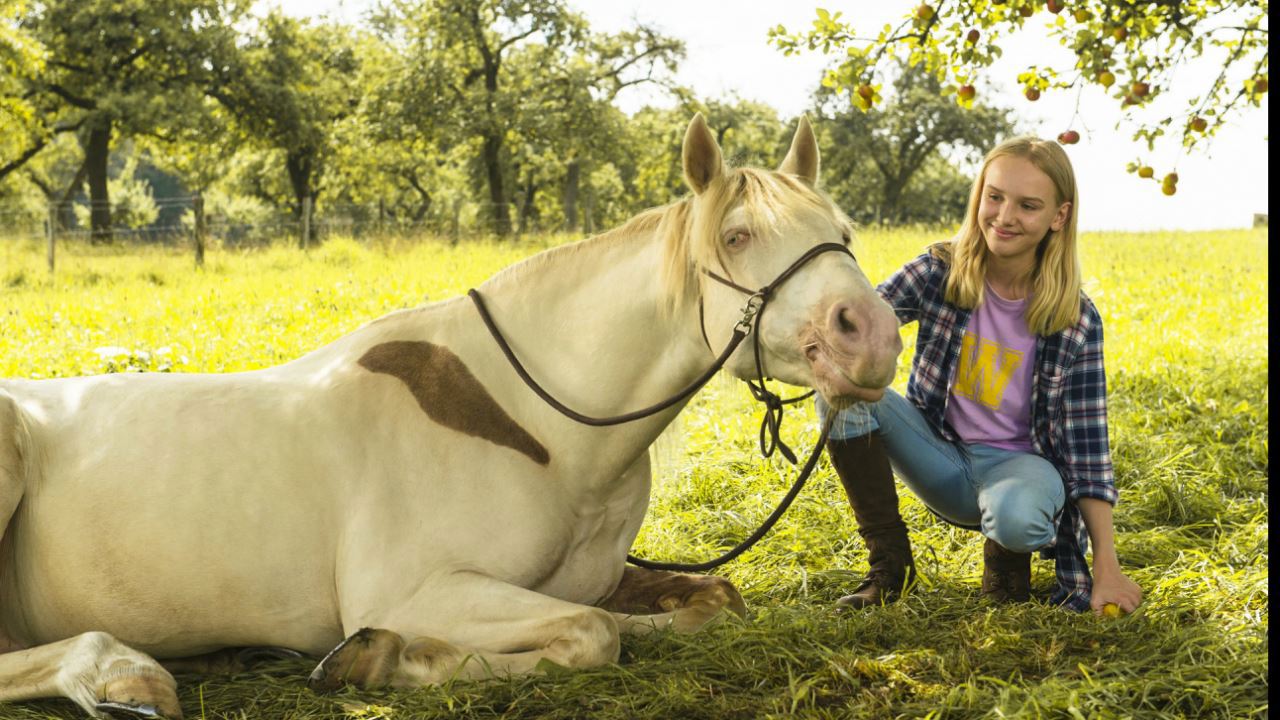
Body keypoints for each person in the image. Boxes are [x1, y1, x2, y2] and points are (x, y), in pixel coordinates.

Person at [820, 136, 1143, 615]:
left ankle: (1006, 575)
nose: (1005, 216)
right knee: (838, 393)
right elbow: (860, 325)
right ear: (979, 196)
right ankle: (891, 569)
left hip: (1020, 472)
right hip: (938, 454)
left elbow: (1089, 451)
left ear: (1059, 216)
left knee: (1017, 516)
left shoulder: (1076, 319)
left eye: (1028, 205)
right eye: (995, 196)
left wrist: (1108, 568)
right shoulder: (938, 271)